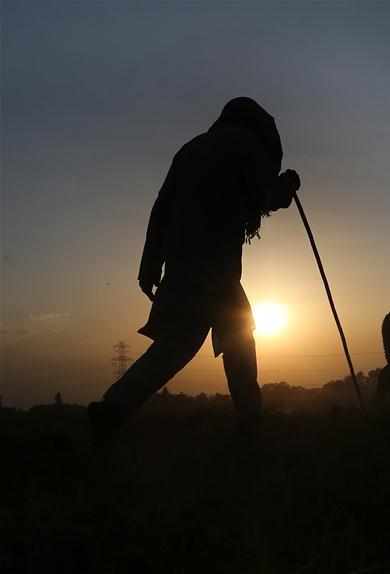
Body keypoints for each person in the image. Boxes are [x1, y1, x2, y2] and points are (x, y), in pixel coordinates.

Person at [88, 97, 301, 455]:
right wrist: (287, 187)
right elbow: (263, 195)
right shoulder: (244, 145)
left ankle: (113, 409)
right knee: (235, 337)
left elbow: (162, 205)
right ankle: (250, 426)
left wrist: (150, 262)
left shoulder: (190, 149)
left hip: (182, 259)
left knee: (181, 342)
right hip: (216, 262)